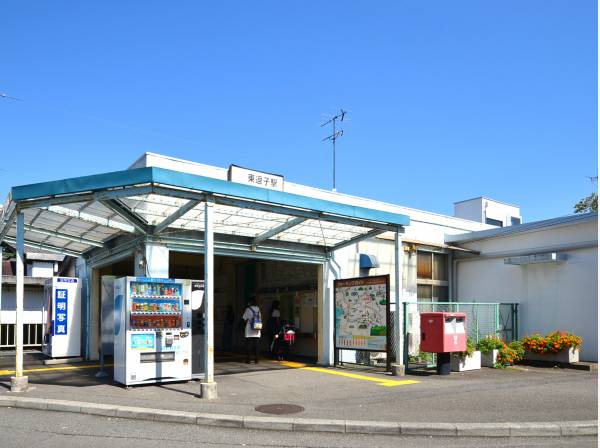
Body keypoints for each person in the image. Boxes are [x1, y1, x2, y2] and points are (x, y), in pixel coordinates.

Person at [242, 297, 261, 364]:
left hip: (249, 328)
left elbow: (244, 318)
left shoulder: (248, 309)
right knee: (256, 345)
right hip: (257, 328)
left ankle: (248, 359)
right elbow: (260, 317)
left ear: (250, 302)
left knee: (248, 345)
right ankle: (257, 359)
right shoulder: (258, 308)